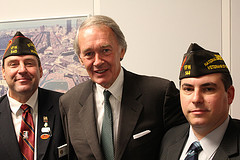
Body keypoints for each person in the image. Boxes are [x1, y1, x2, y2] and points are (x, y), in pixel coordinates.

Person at [59, 15, 186, 160]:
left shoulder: (160, 94)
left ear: (122, 50)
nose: (97, 61)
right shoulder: (69, 103)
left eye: (105, 50)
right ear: (81, 59)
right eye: (89, 54)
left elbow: (182, 148)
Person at [159, 43, 240, 160]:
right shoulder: (170, 138)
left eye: (208, 89)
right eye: (188, 89)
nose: (196, 99)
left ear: (230, 95)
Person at [0, 31, 67, 160]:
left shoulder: (64, 106)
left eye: (29, 63)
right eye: (13, 64)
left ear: (40, 71)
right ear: (3, 72)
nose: (22, 70)